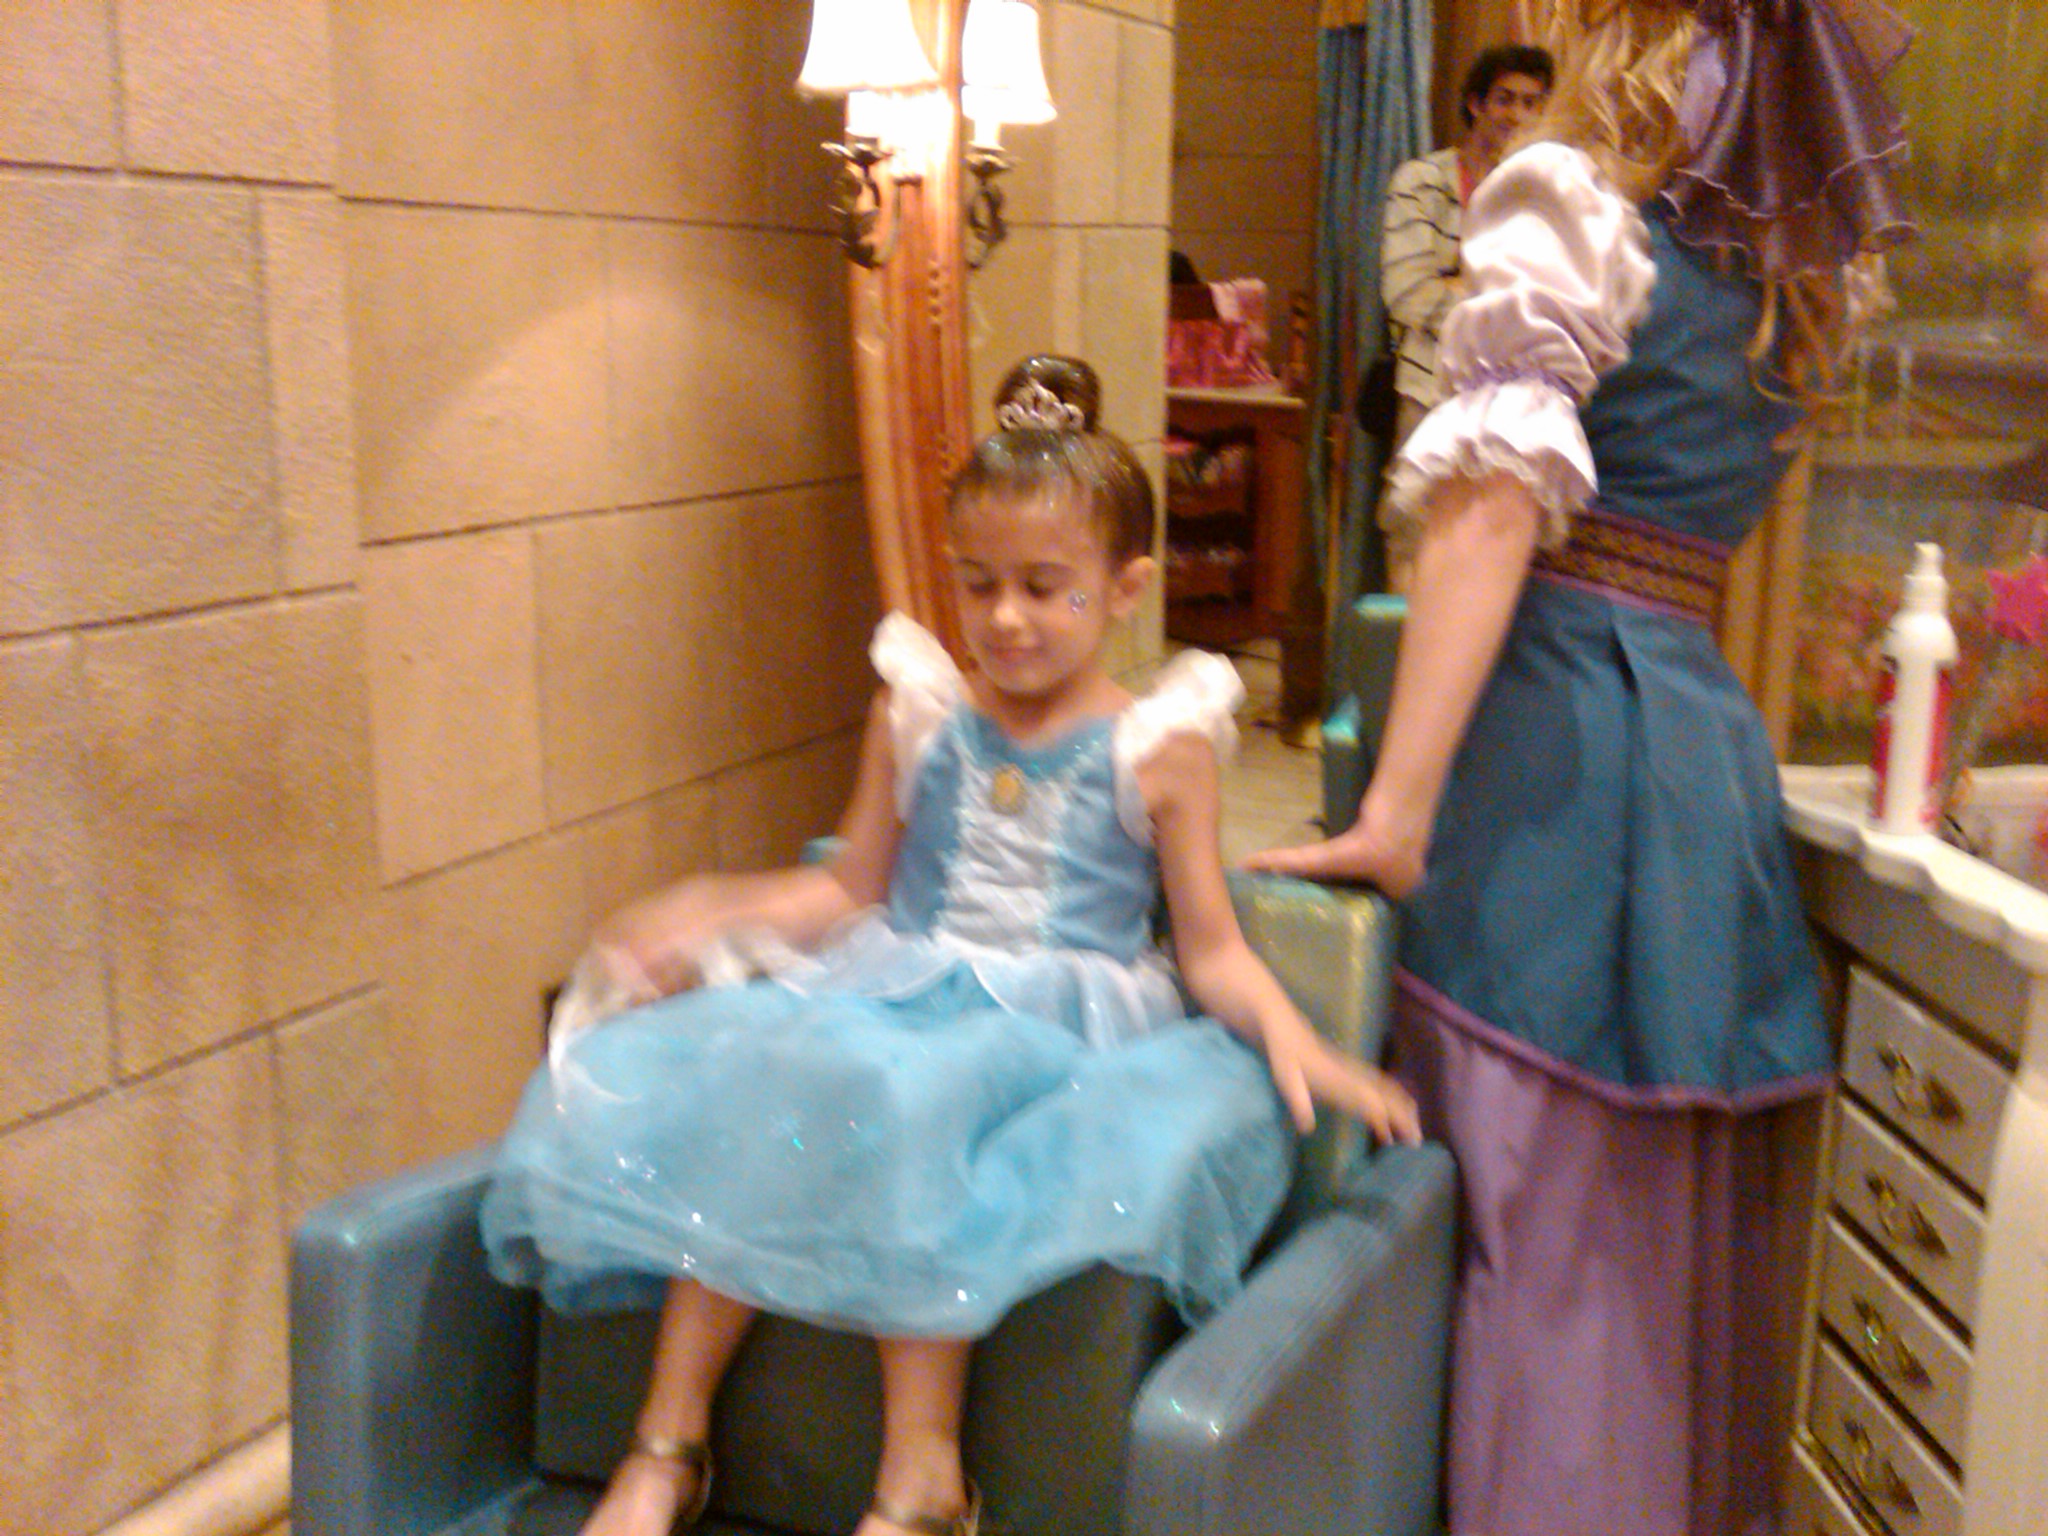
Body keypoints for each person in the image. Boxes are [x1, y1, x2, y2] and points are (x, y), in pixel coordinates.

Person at [482, 355, 1421, 1536]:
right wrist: (715, 914)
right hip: (900, 980)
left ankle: (920, 1475)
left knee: (914, 1096)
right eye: (978, 585)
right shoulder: (919, 708)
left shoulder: (1159, 745)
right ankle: (665, 1441)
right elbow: (847, 888)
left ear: (1124, 589)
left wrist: (1301, 1040)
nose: (1005, 617)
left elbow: (1212, 950)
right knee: (766, 1073)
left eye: (1044, 587)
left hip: (1056, 1029)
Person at [1251, 1, 1914, 1532]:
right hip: (1695, 744)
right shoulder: (1798, 273)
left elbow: (1491, 513)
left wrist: (1395, 812)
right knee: (1644, 1249)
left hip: (1550, 736)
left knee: (1531, 1222)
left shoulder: (1574, 207)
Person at [1374, 46, 1555, 588]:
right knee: (1414, 543)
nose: (1517, 114)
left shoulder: (1544, 194)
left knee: (1496, 558)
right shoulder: (1421, 182)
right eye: (1505, 99)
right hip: (1429, 392)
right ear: (1476, 104)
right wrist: (1504, 297)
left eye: (1531, 103)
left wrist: (1461, 282)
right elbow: (1408, 294)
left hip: (1511, 404)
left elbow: (1552, 303)